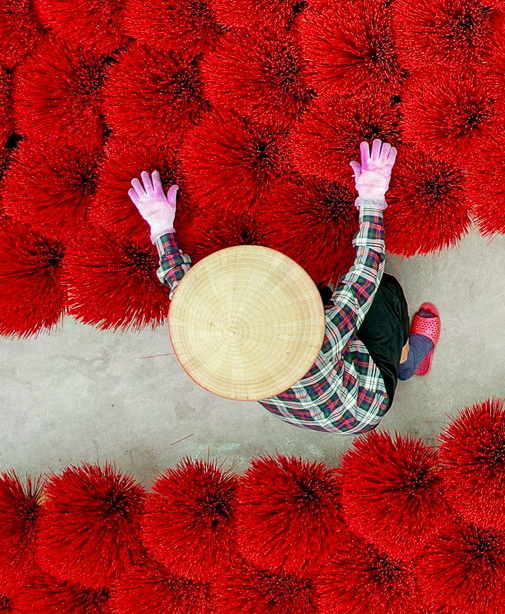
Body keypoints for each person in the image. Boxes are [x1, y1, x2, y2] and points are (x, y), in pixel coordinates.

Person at [126, 140, 442, 435]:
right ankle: (407, 361)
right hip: (363, 404)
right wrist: (371, 194)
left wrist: (161, 228)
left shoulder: (213, 344)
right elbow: (366, 273)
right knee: (383, 291)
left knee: (320, 293)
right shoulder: (319, 339)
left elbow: (184, 291)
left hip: (302, 403)